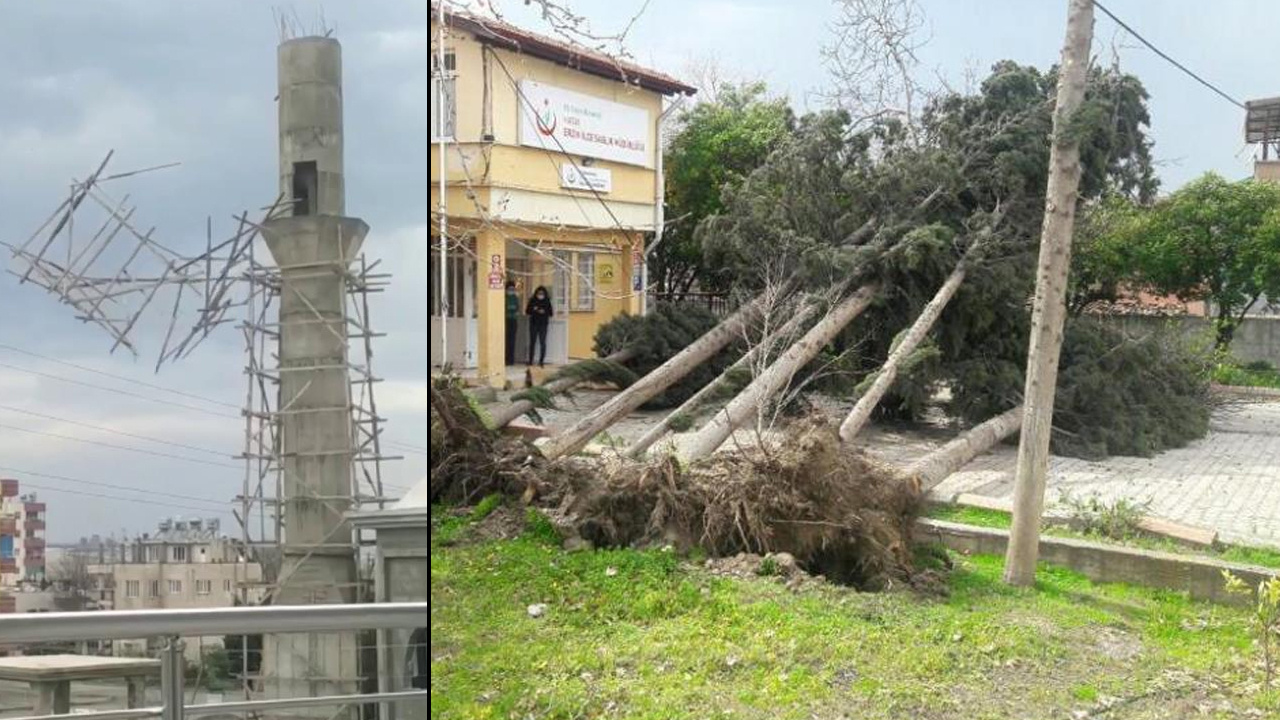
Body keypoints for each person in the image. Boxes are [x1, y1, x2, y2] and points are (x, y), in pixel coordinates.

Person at [526, 285, 553, 367]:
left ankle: (541, 361)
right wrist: (535, 310)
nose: (540, 295)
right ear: (536, 293)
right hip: (534, 324)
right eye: (539, 293)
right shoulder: (532, 300)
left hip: (543, 325)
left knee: (543, 343)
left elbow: (551, 313)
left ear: (544, 294)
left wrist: (544, 312)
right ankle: (530, 361)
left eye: (542, 293)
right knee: (532, 343)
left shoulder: (547, 301)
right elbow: (527, 311)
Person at [504, 281, 519, 366]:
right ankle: (505, 359)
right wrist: (511, 308)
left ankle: (511, 360)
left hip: (513, 320)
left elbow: (516, 308)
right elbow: (505, 308)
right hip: (506, 320)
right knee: (506, 340)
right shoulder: (504, 297)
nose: (511, 290)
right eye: (509, 289)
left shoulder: (515, 297)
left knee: (512, 341)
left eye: (513, 289)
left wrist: (510, 308)